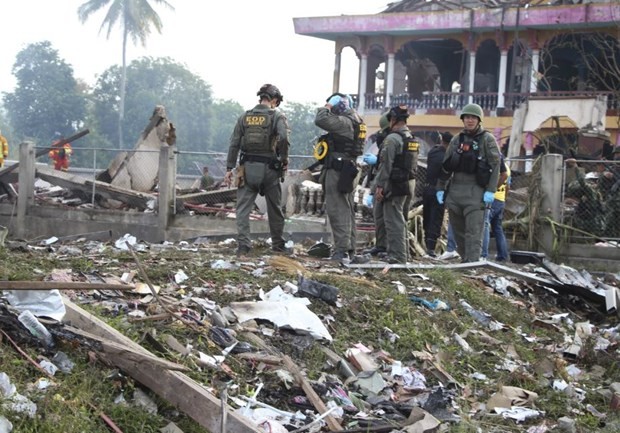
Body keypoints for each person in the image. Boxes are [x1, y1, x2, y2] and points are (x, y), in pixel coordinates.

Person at [224, 84, 290, 256]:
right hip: (270, 170)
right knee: (275, 209)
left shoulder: (244, 117)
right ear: (274, 100)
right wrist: (283, 159)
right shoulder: (277, 116)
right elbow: (283, 138)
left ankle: (244, 246)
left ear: (261, 98)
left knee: (243, 209)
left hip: (247, 170)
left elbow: (234, 144)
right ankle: (278, 245)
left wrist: (229, 168)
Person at [436, 103, 501, 263]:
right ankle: (465, 260)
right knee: (458, 231)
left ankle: (472, 263)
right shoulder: (457, 139)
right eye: (467, 117)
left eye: (473, 117)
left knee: (474, 231)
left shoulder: (487, 139)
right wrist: (440, 187)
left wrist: (491, 190)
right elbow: (446, 165)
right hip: (456, 190)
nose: (469, 120)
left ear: (479, 120)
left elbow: (496, 165)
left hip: (476, 191)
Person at [314, 92, 365, 262]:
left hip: (339, 170)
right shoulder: (357, 120)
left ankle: (341, 250)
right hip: (349, 169)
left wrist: (328, 106)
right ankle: (350, 249)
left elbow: (320, 119)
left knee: (337, 210)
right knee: (347, 209)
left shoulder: (344, 122)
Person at [371, 105, 419, 264]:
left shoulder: (392, 139)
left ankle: (398, 256)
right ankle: (398, 252)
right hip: (408, 182)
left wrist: (380, 187)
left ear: (392, 120)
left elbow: (386, 166)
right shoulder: (410, 137)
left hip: (395, 184)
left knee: (394, 220)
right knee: (401, 219)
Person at [362, 113, 390, 257]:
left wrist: (377, 161)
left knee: (389, 219)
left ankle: (390, 249)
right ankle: (381, 245)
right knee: (379, 217)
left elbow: (387, 165)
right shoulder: (386, 139)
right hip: (380, 182)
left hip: (390, 184)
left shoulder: (395, 140)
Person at [422, 130, 450, 257]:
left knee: (427, 217)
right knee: (436, 218)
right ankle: (431, 248)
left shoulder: (433, 152)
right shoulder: (446, 156)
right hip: (438, 190)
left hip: (427, 188)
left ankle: (426, 244)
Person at [481, 155, 510, 262]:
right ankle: (503, 255)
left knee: (485, 225)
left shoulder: (494, 167)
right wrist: (504, 200)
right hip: (501, 200)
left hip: (491, 199)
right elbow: (508, 187)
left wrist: (492, 190)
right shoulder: (507, 168)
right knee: (498, 228)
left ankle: (483, 253)